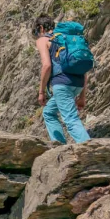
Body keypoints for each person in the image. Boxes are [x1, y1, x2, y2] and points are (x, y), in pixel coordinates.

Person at [33, 14, 90, 144]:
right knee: (48, 112)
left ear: (41, 28)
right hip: (78, 83)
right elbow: (84, 70)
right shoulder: (67, 38)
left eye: (37, 32)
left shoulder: (43, 40)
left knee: (70, 119)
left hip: (62, 84)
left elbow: (46, 66)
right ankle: (59, 146)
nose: (37, 35)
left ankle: (89, 150)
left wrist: (41, 91)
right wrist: (82, 96)